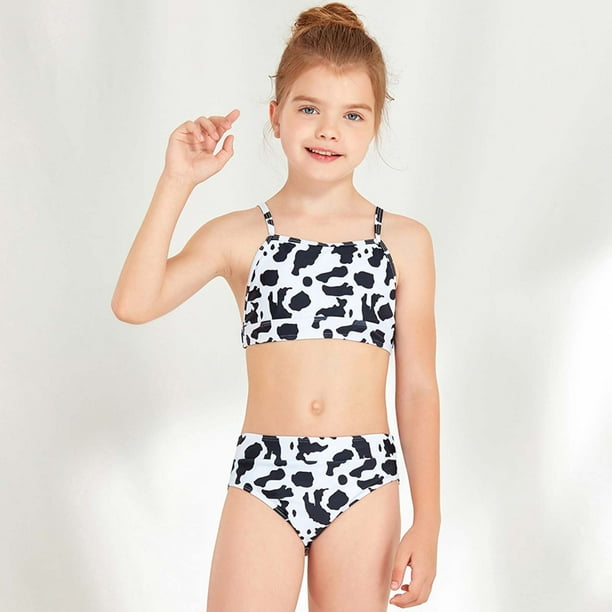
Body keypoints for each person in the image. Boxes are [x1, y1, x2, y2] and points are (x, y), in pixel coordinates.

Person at [111, 3, 440, 610]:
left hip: (364, 477)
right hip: (265, 473)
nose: (329, 130)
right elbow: (133, 303)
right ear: (275, 115)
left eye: (352, 114)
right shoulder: (239, 235)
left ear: (375, 124)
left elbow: (417, 385)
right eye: (309, 108)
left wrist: (430, 519)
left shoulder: (404, 242)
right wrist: (177, 181)